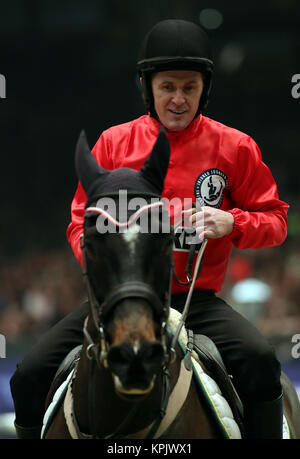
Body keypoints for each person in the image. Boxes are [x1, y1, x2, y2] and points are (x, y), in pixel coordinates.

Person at [10, 19, 289, 439]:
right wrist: (108, 257)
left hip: (198, 304)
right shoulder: (112, 145)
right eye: (167, 87)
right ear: (147, 87)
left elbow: (278, 222)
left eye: (189, 88)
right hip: (120, 298)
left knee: (261, 362)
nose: (178, 99)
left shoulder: (235, 147)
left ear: (204, 89)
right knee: (28, 376)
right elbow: (77, 222)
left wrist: (234, 222)